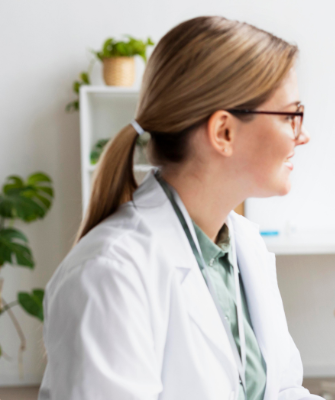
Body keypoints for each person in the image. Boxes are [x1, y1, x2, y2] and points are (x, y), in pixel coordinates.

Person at [39, 16, 318, 400]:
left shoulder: (244, 247)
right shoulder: (109, 273)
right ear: (224, 132)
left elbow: (282, 392)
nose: (302, 135)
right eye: (290, 116)